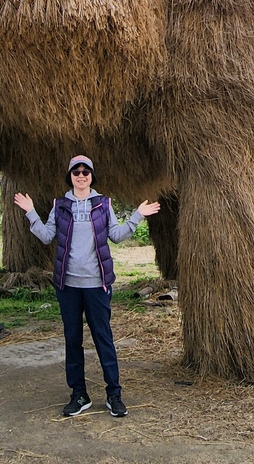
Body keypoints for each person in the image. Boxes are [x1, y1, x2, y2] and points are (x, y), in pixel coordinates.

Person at [14, 155, 160, 418]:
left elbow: (115, 235)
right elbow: (48, 236)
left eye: (86, 172)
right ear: (70, 176)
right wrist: (31, 212)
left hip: (97, 284)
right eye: (76, 172)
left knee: (103, 339)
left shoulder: (103, 204)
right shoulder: (60, 205)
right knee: (73, 340)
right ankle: (79, 394)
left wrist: (138, 216)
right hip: (67, 285)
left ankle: (114, 395)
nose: (81, 176)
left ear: (92, 176)